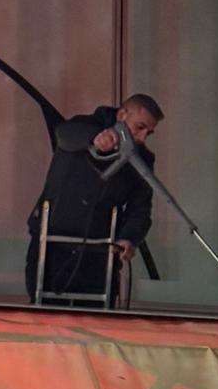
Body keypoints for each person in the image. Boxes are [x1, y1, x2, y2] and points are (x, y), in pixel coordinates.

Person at [25, 94, 164, 307]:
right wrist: (96, 139)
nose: (142, 137)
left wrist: (129, 237)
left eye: (149, 132)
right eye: (140, 127)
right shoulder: (83, 126)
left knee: (96, 314)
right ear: (122, 115)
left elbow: (140, 207)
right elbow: (65, 134)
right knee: (45, 310)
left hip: (100, 251)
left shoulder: (142, 158)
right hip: (53, 244)